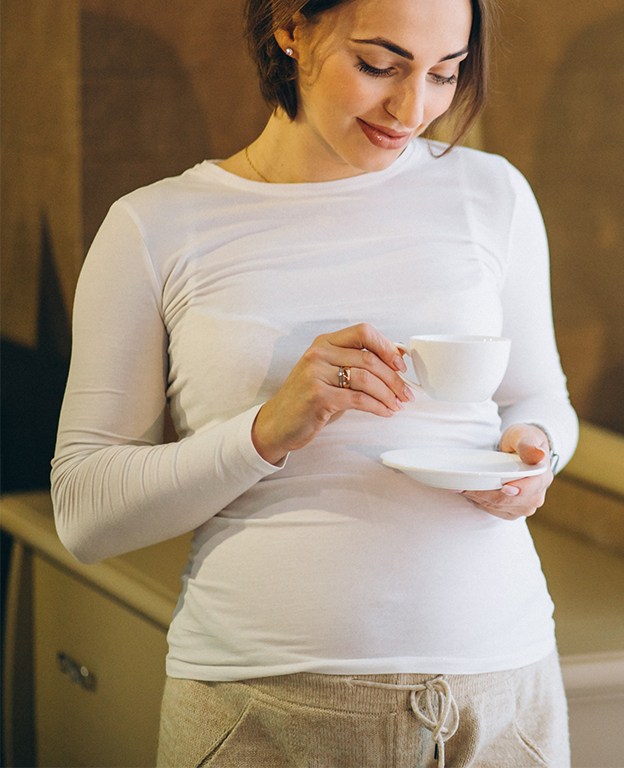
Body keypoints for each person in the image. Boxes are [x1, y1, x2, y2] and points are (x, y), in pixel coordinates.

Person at [49, 0, 577, 763]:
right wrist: (264, 432)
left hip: (501, 691)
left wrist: (535, 456)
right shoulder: (155, 227)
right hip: (262, 706)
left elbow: (539, 399)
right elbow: (85, 512)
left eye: (444, 74)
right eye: (379, 65)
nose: (413, 108)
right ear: (290, 26)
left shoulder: (492, 196)